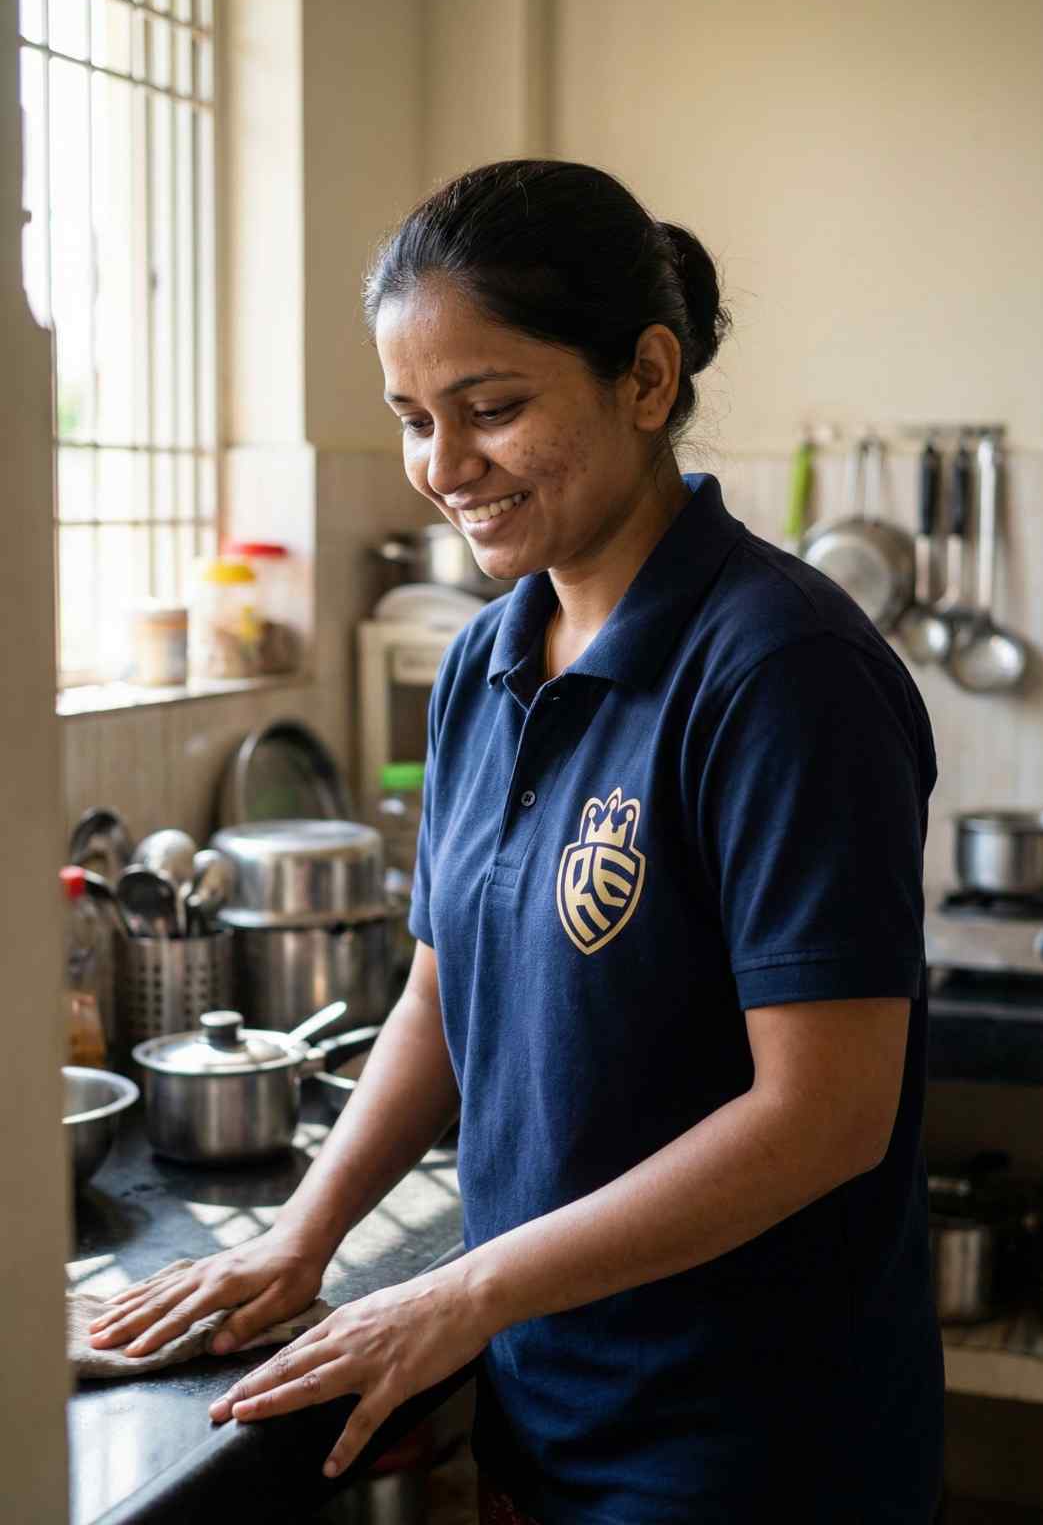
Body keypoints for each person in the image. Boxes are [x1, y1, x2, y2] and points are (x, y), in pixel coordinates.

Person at [88, 159, 944, 1523]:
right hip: (553, 1408)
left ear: (647, 382)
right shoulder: (490, 654)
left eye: (490, 410)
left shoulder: (782, 673)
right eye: (415, 420)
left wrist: (460, 1291)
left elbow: (825, 1115)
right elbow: (440, 988)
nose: (442, 469)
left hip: (752, 1448)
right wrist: (307, 1236)